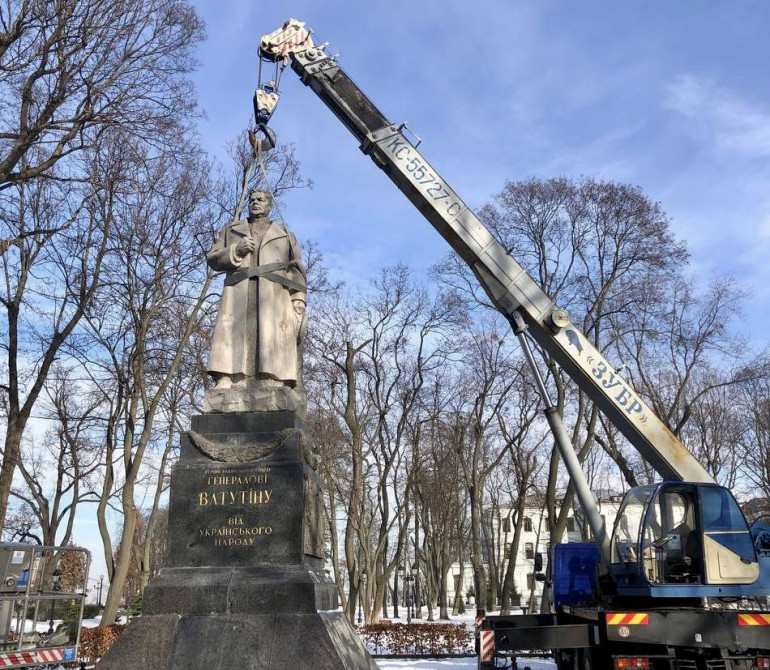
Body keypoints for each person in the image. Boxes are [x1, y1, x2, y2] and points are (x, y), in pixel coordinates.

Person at [205, 189, 307, 412]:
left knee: (270, 337)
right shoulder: (232, 230)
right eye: (252, 200)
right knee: (233, 332)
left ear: (269, 204)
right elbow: (212, 258)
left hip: (273, 293)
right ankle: (229, 377)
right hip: (238, 290)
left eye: (261, 200)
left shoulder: (284, 234)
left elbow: (297, 267)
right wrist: (235, 250)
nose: (255, 203)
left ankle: (271, 377)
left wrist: (298, 298)